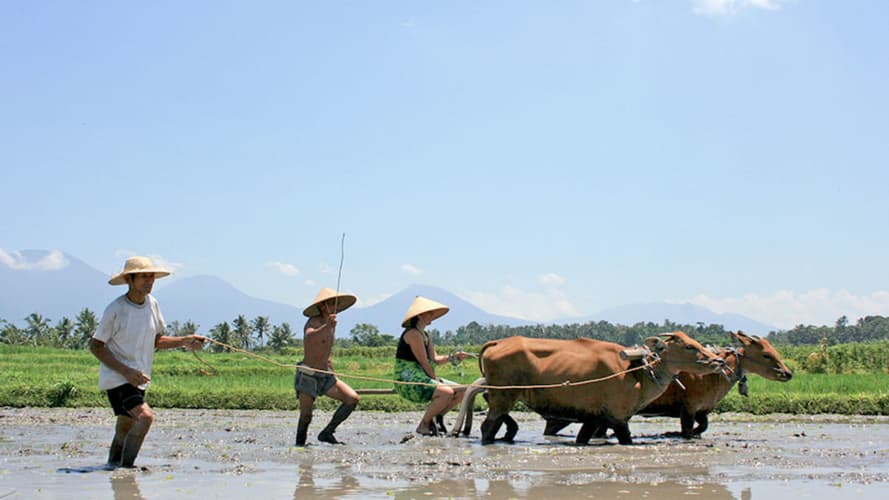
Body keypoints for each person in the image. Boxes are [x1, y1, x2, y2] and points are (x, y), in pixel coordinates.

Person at [89, 256, 206, 469]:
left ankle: (112, 465)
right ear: (130, 280)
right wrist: (126, 371)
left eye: (151, 277)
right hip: (119, 377)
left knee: (126, 424)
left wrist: (185, 341)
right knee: (145, 417)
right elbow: (96, 345)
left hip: (139, 377)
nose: (149, 281)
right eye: (143, 276)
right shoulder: (116, 309)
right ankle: (126, 469)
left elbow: (157, 341)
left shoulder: (152, 305)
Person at [295, 288, 360, 446]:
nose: (335, 308)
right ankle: (299, 445)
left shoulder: (331, 323)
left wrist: (333, 373)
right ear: (323, 306)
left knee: (352, 399)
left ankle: (327, 432)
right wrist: (327, 327)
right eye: (332, 304)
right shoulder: (314, 321)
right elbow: (310, 337)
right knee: (306, 415)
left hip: (326, 375)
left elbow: (327, 351)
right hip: (308, 374)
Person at [394, 296, 468, 436]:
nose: (432, 316)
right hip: (407, 378)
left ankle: (437, 417)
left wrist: (454, 357)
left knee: (461, 391)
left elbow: (435, 359)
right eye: (429, 313)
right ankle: (423, 424)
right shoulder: (413, 334)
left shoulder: (425, 335)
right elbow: (424, 362)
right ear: (420, 315)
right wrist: (435, 380)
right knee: (446, 392)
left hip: (422, 375)